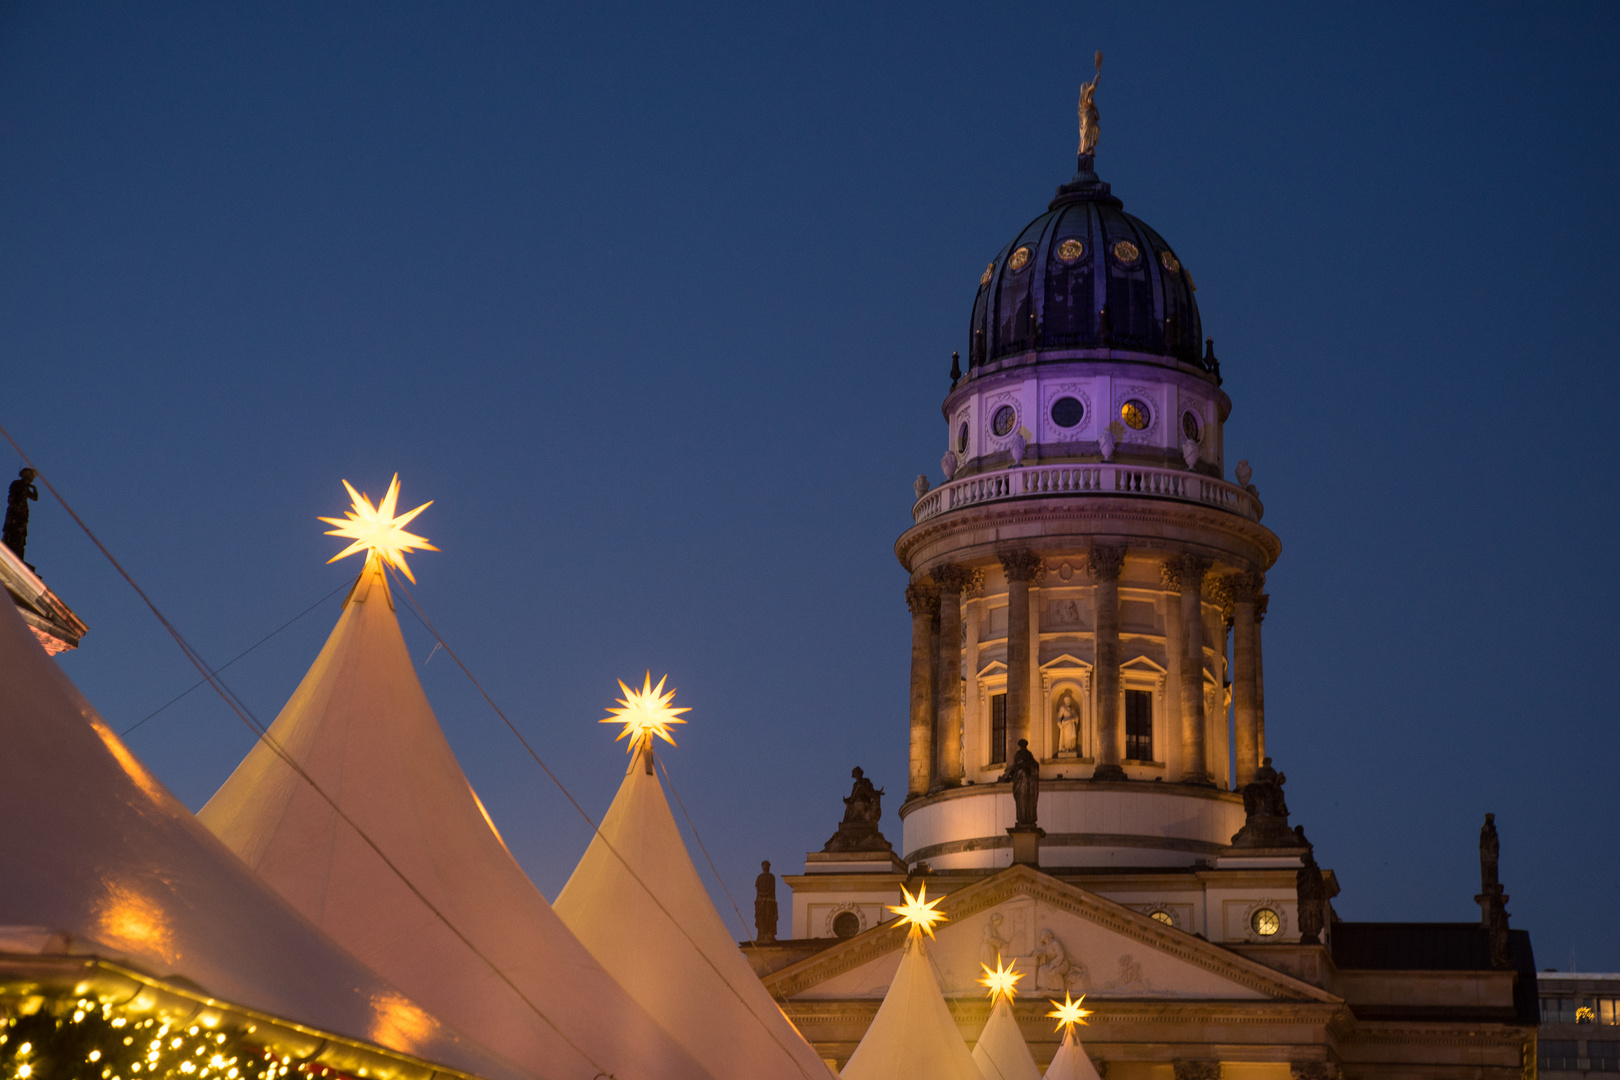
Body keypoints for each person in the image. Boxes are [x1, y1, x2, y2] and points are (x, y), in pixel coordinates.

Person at [3, 468, 39, 562]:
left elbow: (35, 498)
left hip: (23, 513)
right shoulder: (17, 484)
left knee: (20, 534)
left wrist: (34, 488)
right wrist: (15, 506)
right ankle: (8, 551)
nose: (32, 479)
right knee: (12, 531)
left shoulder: (26, 488)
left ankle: (17, 553)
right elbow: (11, 497)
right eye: (31, 477)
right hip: (15, 512)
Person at [754, 861, 778, 943]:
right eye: (764, 864)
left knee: (768, 917)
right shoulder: (759, 877)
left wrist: (765, 894)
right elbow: (757, 887)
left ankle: (768, 934)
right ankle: (761, 934)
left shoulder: (772, 877)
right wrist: (761, 894)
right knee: (761, 917)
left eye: (767, 864)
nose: (765, 866)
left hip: (769, 901)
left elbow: (772, 888)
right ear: (762, 866)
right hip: (760, 901)